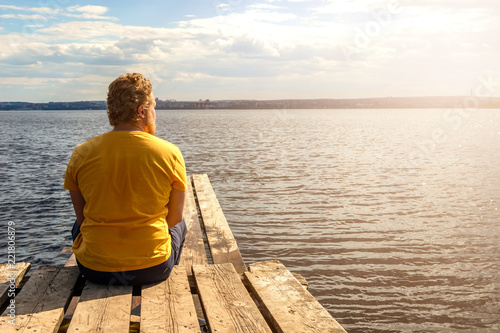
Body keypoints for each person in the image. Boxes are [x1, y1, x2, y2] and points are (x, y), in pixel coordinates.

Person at [64, 73, 187, 285]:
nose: (155, 113)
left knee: (78, 224)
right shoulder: (169, 153)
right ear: (142, 111)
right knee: (181, 224)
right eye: (154, 107)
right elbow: (174, 219)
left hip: (94, 269)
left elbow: (83, 219)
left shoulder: (81, 153)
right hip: (153, 268)